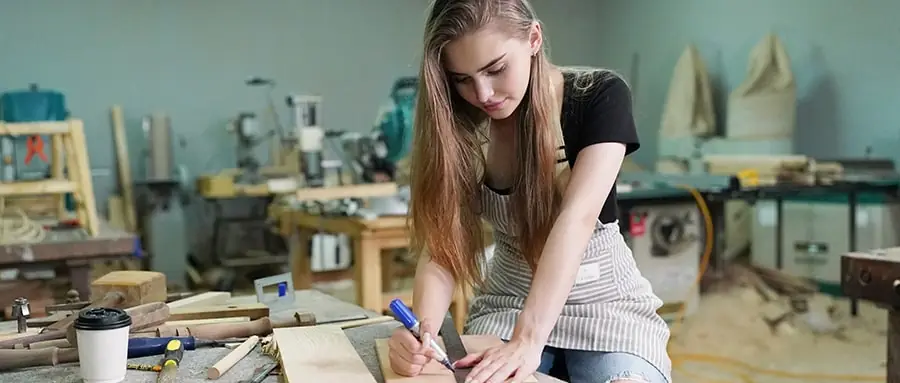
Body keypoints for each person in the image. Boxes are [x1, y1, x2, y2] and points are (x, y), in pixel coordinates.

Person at [387, 0, 672, 382]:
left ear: (533, 38)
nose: (483, 93)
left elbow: (577, 218)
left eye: (496, 69)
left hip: (605, 305)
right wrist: (424, 334)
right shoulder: (461, 122)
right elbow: (443, 246)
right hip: (508, 302)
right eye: (461, 79)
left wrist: (528, 340)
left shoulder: (597, 95)